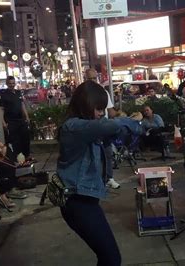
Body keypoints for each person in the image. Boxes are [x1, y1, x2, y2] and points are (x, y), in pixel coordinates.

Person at [57, 80, 122, 265]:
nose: (101, 113)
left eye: (103, 109)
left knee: (109, 257)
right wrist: (133, 121)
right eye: (98, 108)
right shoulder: (74, 126)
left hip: (84, 200)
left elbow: (112, 134)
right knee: (111, 258)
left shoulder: (85, 127)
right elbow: (111, 127)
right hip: (77, 202)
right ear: (84, 105)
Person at [85, 68, 120, 189]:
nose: (93, 81)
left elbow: (110, 111)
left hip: (103, 126)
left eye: (94, 78)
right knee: (92, 155)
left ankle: (109, 178)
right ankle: (95, 180)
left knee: (107, 153)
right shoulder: (83, 94)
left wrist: (119, 113)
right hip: (90, 126)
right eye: (90, 78)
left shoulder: (104, 93)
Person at [0, 76, 34, 163]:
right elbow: (1, 110)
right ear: (7, 84)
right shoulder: (4, 95)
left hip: (21, 120)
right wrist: (3, 122)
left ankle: (27, 156)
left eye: (13, 83)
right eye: (10, 83)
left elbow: (22, 105)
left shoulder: (18, 93)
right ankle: (18, 159)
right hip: (11, 121)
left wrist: (27, 117)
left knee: (25, 138)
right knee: (15, 141)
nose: (12, 85)